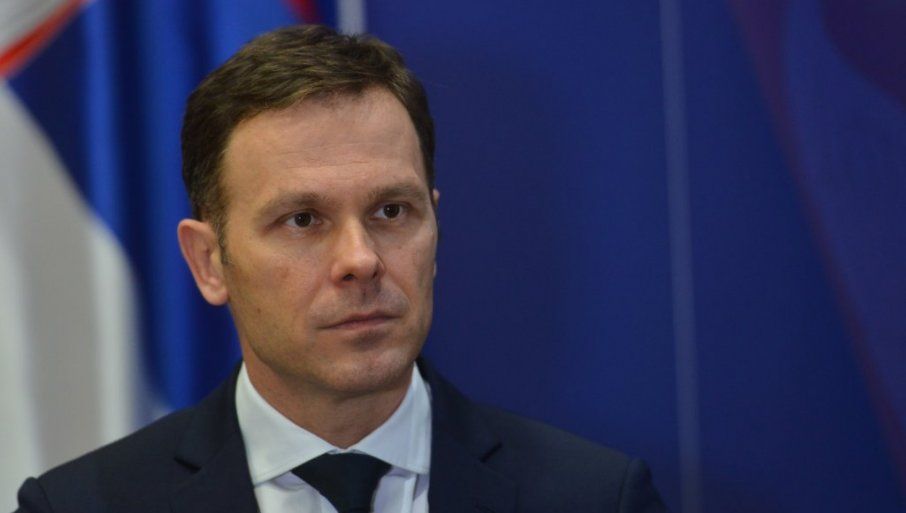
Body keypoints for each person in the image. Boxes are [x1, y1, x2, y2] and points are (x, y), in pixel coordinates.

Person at [14, 25, 668, 513]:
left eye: (391, 210)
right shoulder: (80, 507)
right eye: (303, 219)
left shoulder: (596, 498)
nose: (361, 259)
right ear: (209, 262)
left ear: (435, 228)